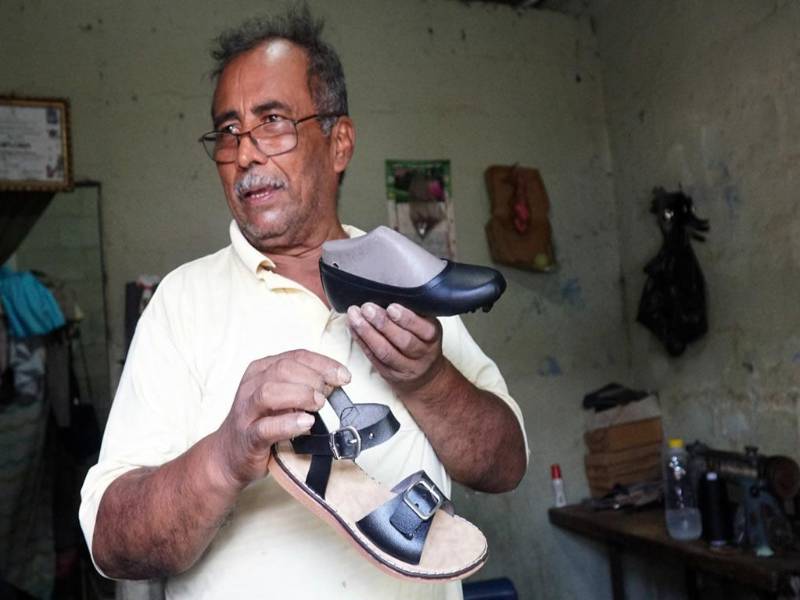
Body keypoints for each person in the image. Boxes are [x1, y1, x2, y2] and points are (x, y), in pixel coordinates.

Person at [79, 6, 528, 599]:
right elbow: (113, 543)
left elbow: (505, 467)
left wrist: (429, 380)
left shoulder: (403, 278)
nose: (245, 155)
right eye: (229, 131)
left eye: (273, 122)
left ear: (338, 142)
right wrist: (227, 451)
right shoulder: (181, 302)